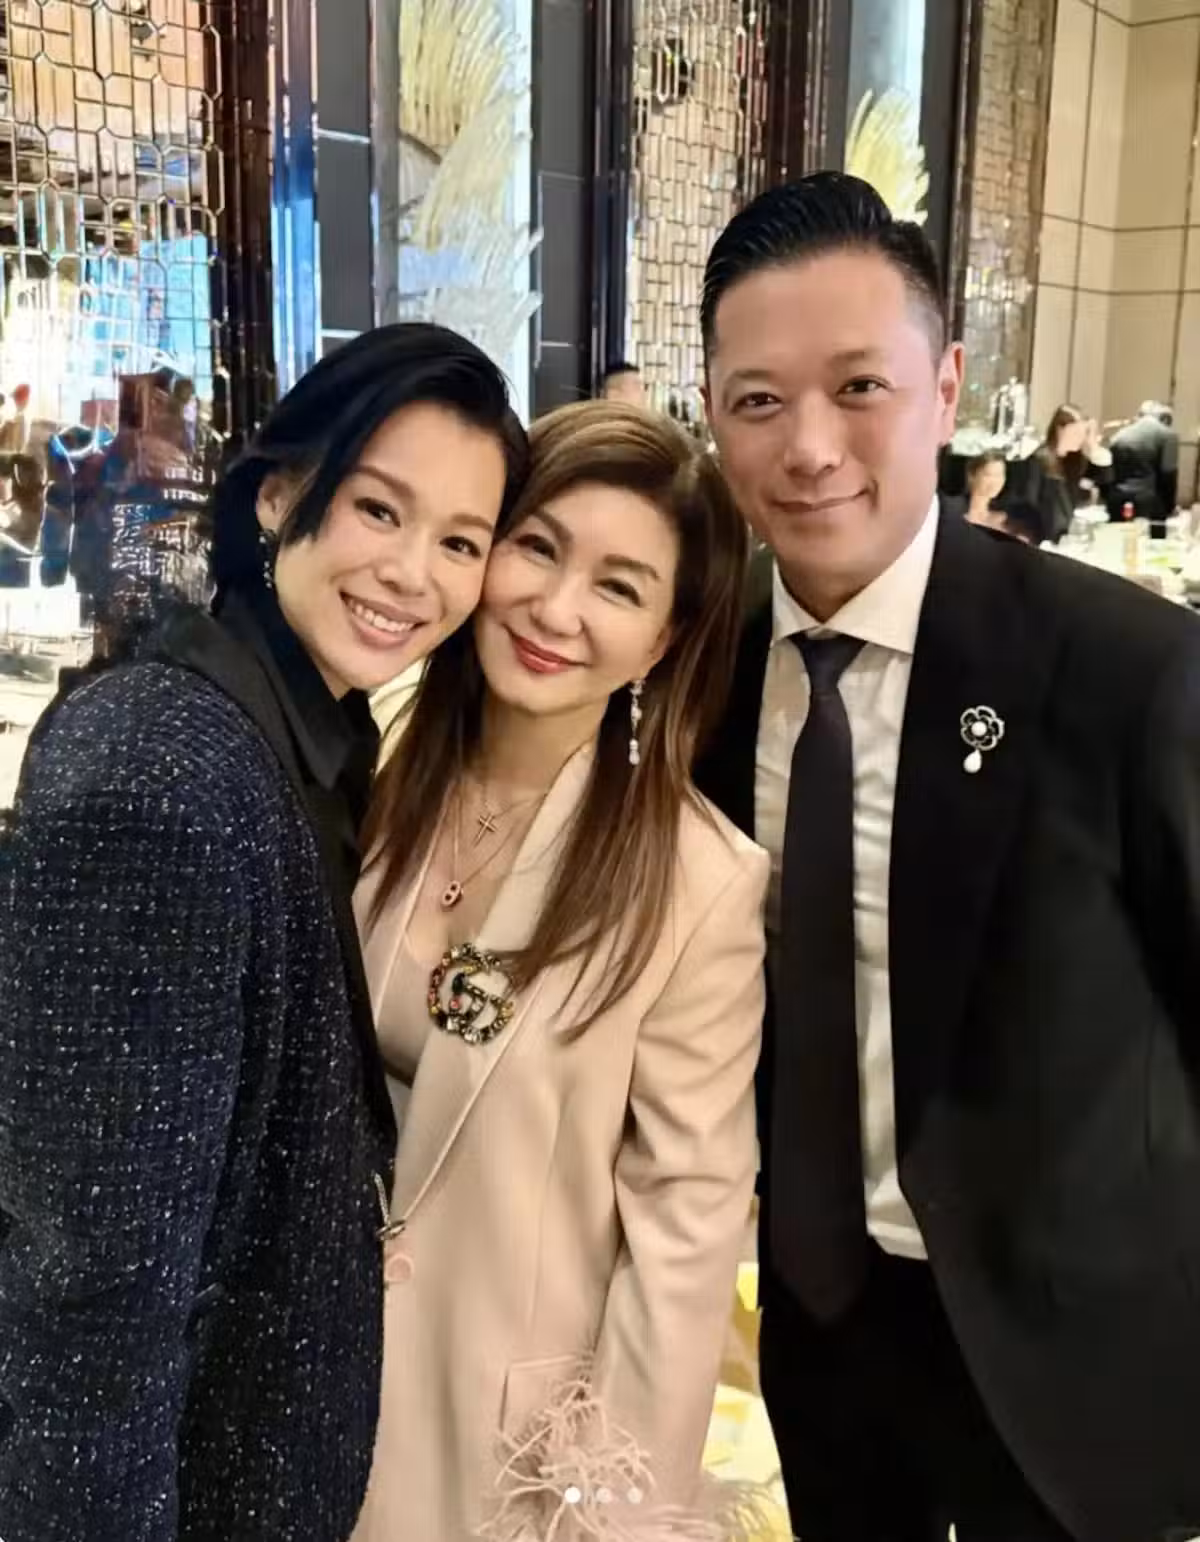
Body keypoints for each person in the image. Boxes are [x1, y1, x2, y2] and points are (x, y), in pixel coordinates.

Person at [696, 171, 1200, 1542]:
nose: (811, 448)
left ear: (946, 385)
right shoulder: (702, 673)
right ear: (714, 415)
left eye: (859, 385)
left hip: (1079, 1355)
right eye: (759, 399)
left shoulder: (1126, 669)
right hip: (821, 1319)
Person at [0, 323, 528, 1542]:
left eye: (461, 542)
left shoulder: (302, 741)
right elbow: (95, 1293)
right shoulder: (160, 779)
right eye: (379, 509)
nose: (414, 574)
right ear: (280, 494)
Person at [352, 400, 767, 1541]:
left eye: (619, 588)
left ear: (666, 640)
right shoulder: (370, 770)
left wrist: (613, 1513)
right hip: (298, 1385)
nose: (555, 608)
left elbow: (684, 1230)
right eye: (537, 548)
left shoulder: (696, 881)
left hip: (503, 1447)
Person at [1021, 402, 1110, 544]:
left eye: (1083, 433)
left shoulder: (1075, 461)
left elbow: (1104, 480)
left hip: (1067, 538)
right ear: (1060, 430)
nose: (1080, 438)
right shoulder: (1038, 461)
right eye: (1076, 433)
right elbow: (1029, 505)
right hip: (1042, 540)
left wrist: (1093, 446)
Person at [1106, 399, 1179, 537]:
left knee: (1117, 540)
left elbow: (1109, 472)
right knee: (1152, 544)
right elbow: (1169, 474)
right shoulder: (1168, 435)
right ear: (1164, 418)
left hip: (1117, 498)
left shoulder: (1119, 435)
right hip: (1149, 503)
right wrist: (1170, 507)